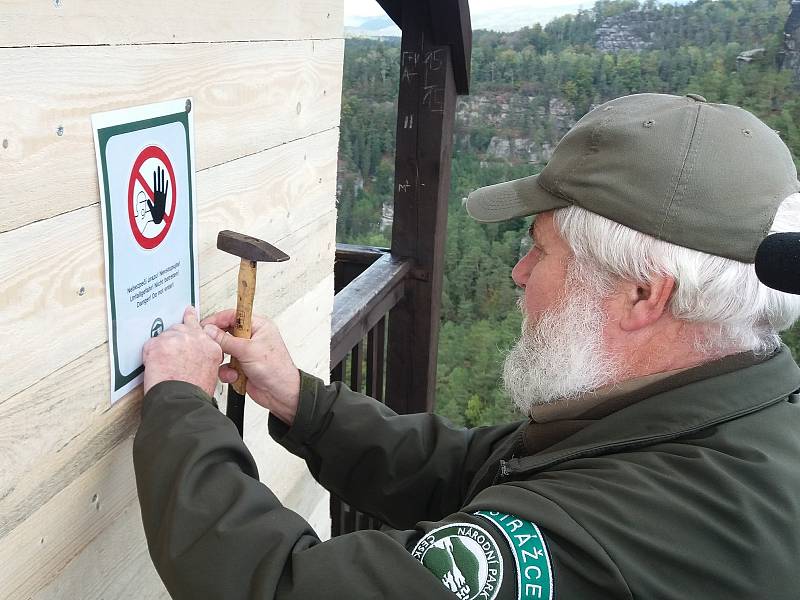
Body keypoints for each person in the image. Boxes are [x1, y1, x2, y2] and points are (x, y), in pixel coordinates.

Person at [134, 93, 800, 599]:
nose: (518, 273)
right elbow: (472, 467)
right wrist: (300, 401)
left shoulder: (624, 530)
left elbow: (286, 586)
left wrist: (179, 408)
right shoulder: (704, 414)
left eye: (539, 250)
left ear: (641, 296)